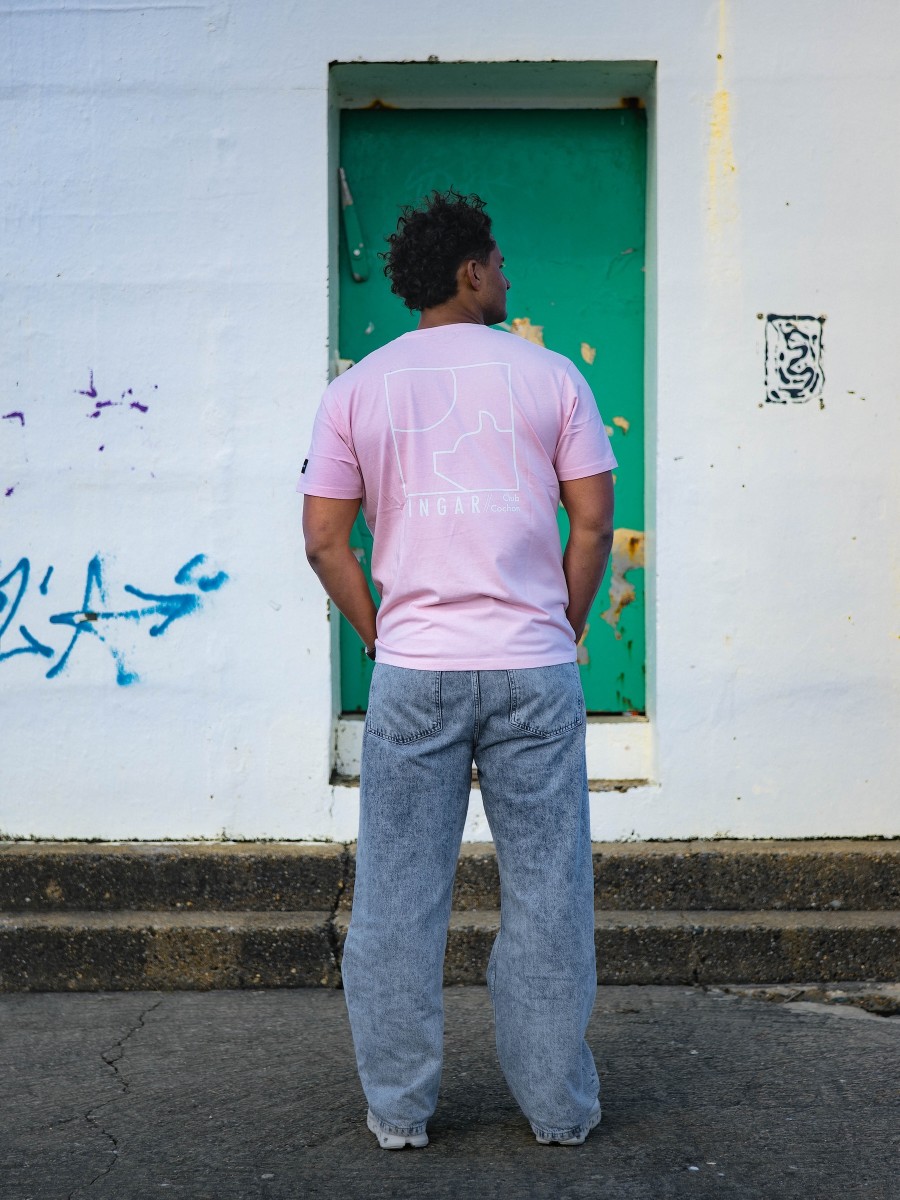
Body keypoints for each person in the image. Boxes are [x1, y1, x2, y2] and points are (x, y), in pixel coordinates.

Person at [298, 189, 616, 1149]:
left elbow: (323, 541)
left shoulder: (356, 389)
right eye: (501, 263)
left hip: (415, 672)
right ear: (470, 272)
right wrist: (555, 629)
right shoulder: (551, 375)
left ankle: (398, 1113)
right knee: (551, 899)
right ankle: (558, 1109)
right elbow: (594, 522)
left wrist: (377, 632)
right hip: (533, 670)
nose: (509, 278)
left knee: (396, 902)